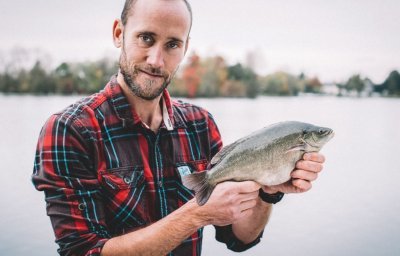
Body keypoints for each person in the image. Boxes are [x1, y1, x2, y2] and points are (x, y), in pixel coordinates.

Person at [32, 0, 326, 255]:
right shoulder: (70, 130)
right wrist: (195, 215)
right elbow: (83, 252)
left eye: (172, 44)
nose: (157, 60)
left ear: (185, 48)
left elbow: (239, 238)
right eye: (146, 38)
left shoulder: (200, 125)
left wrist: (267, 191)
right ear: (119, 34)